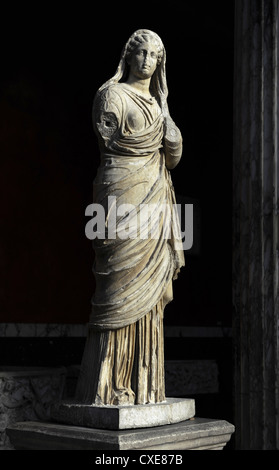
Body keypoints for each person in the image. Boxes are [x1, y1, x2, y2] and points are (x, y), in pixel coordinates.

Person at [75, 29, 185, 406]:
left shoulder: (157, 105)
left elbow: (173, 154)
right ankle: (107, 383)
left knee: (152, 292)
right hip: (123, 194)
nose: (147, 61)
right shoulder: (112, 96)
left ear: (160, 64)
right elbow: (112, 140)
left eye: (154, 56)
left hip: (155, 197)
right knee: (117, 282)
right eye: (141, 53)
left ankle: (145, 383)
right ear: (129, 56)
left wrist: (165, 109)